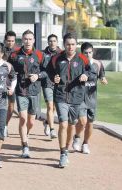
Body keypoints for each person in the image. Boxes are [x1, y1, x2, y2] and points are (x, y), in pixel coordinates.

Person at [50, 33, 92, 168]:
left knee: (71, 125)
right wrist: (53, 78)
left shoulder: (83, 59)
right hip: (61, 96)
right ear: (64, 45)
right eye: (68, 44)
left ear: (76, 45)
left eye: (73, 44)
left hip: (76, 97)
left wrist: (85, 75)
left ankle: (66, 149)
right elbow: (48, 72)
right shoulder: (56, 58)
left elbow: (90, 71)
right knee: (63, 124)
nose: (70, 47)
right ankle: (62, 154)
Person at [8, 30, 46, 158]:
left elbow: (47, 72)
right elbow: (8, 70)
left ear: (34, 40)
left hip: (35, 91)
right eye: (25, 39)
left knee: (31, 122)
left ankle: (26, 134)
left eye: (30, 39)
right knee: (23, 119)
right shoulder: (14, 55)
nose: (28, 41)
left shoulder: (40, 55)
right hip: (21, 91)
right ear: (22, 40)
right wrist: (10, 83)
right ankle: (25, 146)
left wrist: (38, 76)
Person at [72, 42, 108, 154]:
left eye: (90, 52)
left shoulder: (98, 63)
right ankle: (77, 137)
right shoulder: (77, 63)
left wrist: (103, 80)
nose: (88, 54)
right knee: (83, 122)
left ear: (93, 52)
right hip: (80, 97)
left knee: (90, 123)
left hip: (92, 98)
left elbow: (102, 76)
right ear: (81, 53)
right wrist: (80, 77)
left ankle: (85, 144)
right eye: (86, 53)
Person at [41, 34, 62, 139]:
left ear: (57, 42)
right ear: (48, 42)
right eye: (50, 41)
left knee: (53, 107)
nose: (52, 43)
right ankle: (52, 129)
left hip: (58, 84)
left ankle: (46, 122)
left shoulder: (62, 53)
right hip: (47, 83)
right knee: (50, 106)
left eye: (54, 41)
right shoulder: (43, 54)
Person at [3, 31, 20, 137]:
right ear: (5, 41)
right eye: (8, 41)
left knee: (11, 107)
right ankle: (0, 126)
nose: (10, 43)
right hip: (2, 82)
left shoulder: (19, 51)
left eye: (12, 41)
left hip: (15, 81)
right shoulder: (0, 50)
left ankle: (5, 125)